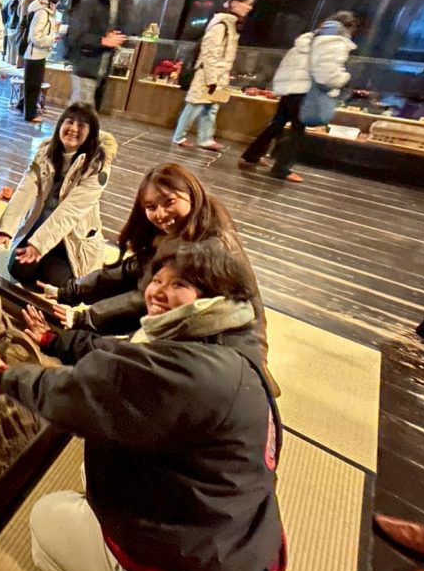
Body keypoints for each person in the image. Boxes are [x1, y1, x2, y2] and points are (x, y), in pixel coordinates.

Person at [0, 239, 286, 571]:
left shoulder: (187, 372)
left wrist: (7, 377)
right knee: (92, 471)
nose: (159, 291)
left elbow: (77, 396)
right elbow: (121, 362)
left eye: (180, 285)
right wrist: (56, 339)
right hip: (247, 549)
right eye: (157, 279)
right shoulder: (232, 343)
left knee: (45, 522)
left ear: (214, 294)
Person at [48, 162, 278, 396]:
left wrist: (83, 318)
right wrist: (71, 291)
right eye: (151, 206)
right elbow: (133, 270)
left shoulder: (210, 247)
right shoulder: (183, 229)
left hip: (217, 346)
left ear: (191, 193)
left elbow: (148, 300)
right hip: (194, 325)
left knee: (121, 366)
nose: (161, 214)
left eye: (169, 202)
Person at [0, 102, 117, 287]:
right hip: (40, 226)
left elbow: (70, 211)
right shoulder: (46, 151)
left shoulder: (98, 167)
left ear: (91, 133)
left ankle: (51, 261)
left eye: (82, 125)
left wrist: (39, 245)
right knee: (18, 269)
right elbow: (26, 189)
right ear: (60, 124)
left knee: (59, 282)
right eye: (69, 122)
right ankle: (41, 258)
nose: (73, 129)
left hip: (70, 240)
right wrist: (5, 229)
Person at [239, 11, 359, 182]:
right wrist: (343, 78)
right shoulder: (333, 42)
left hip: (290, 88)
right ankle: (282, 168)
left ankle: (250, 156)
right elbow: (326, 73)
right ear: (349, 26)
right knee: (297, 131)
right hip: (305, 90)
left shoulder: (309, 38)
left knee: (278, 124)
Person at [172, 0, 256, 151]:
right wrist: (211, 79)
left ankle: (206, 138)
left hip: (219, 75)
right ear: (234, 3)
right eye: (247, 3)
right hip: (208, 75)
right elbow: (209, 53)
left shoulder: (230, 25)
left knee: (211, 107)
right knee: (195, 105)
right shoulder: (221, 25)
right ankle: (179, 136)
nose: (249, 8)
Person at [66, 0, 134, 111]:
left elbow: (126, 30)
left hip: (104, 69)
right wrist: (103, 40)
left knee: (88, 118)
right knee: (81, 116)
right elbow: (76, 36)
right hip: (86, 66)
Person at [23, 0, 60, 123]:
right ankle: (29, 115)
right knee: (32, 85)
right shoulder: (42, 12)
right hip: (35, 53)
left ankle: (25, 107)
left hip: (39, 53)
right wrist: (52, 39)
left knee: (34, 84)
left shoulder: (45, 10)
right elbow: (36, 36)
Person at [15, 0, 42, 69]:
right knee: (25, 41)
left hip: (23, 19)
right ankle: (21, 63)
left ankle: (19, 62)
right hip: (28, 20)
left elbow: (19, 9)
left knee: (22, 41)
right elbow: (31, 9)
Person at [5, 0, 23, 64]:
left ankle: (8, 60)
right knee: (14, 45)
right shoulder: (18, 5)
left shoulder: (10, 4)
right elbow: (19, 16)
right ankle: (12, 61)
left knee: (9, 44)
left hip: (9, 26)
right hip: (15, 26)